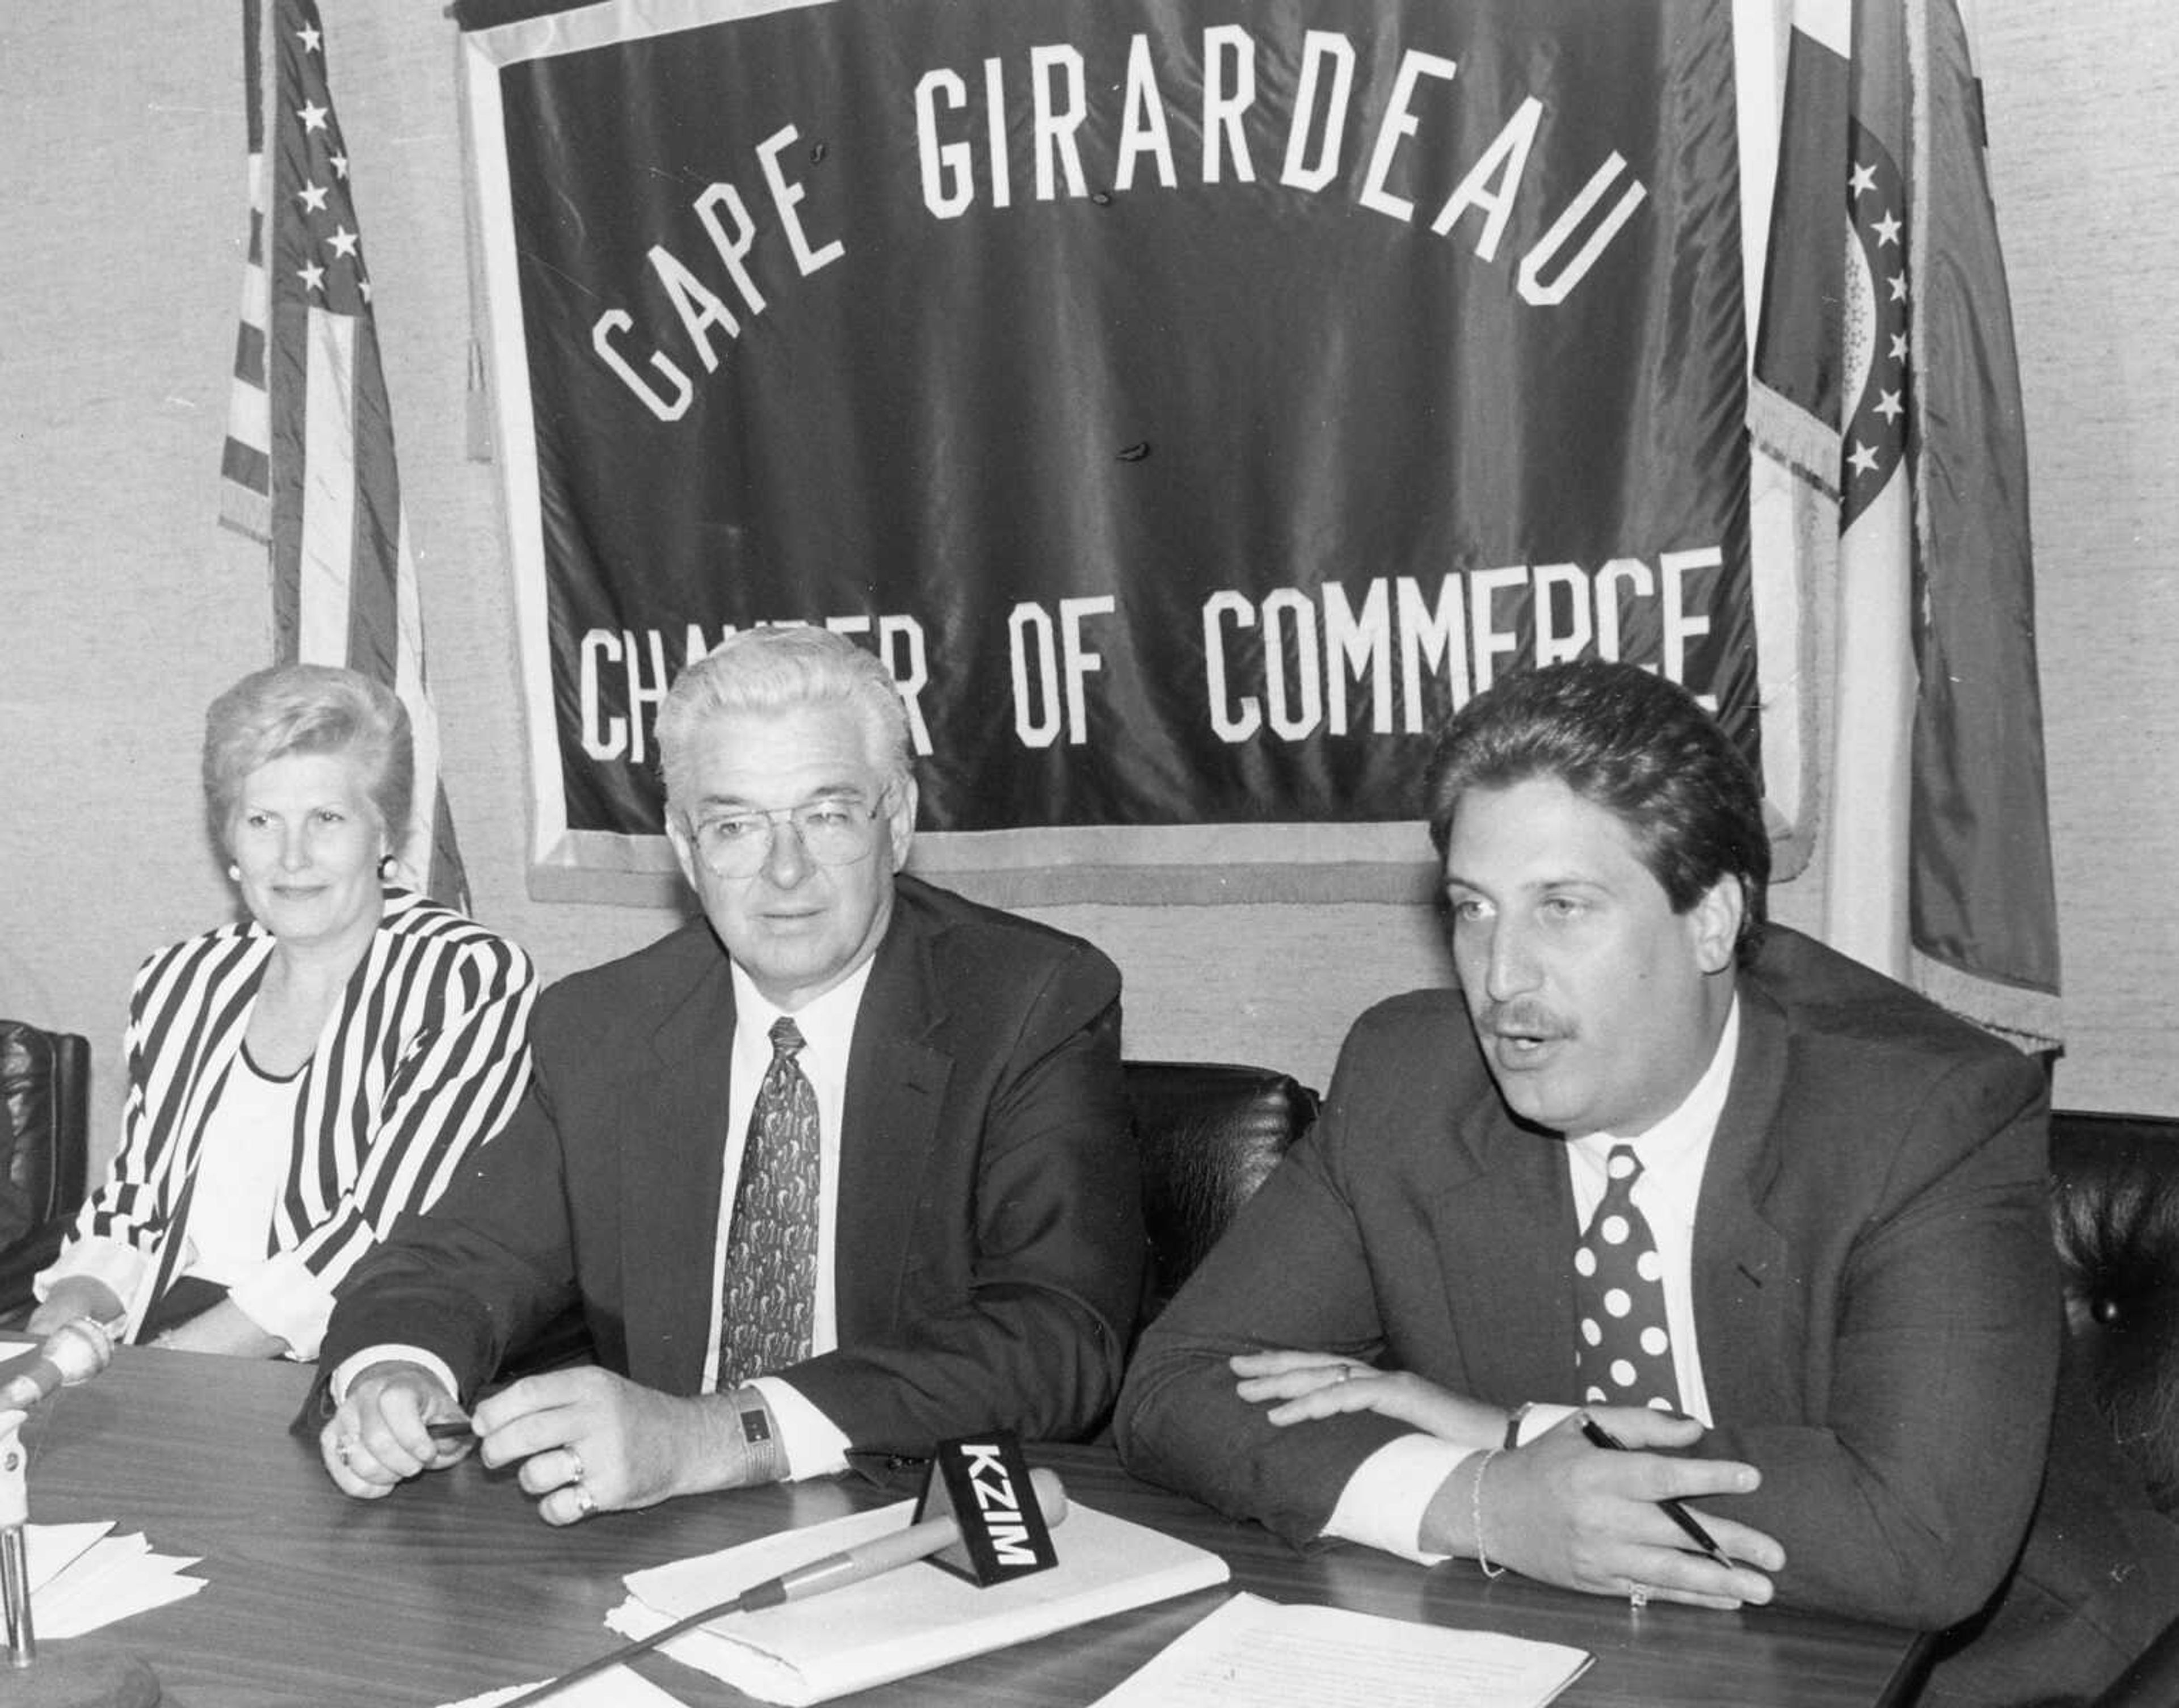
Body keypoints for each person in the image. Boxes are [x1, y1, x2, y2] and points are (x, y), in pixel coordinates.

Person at [1115, 659, 2177, 1705]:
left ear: (1712, 918)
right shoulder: (1411, 1079)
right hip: (1586, 1660)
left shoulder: (1924, 1109)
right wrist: (1477, 1501)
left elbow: (1917, 1540)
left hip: (1989, 1681)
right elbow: (1180, 1384)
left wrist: (1517, 1437)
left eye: (1563, 907)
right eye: (1473, 909)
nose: (1501, 979)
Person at [316, 625, 1142, 1525]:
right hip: (666, 1540)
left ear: (897, 821)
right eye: (736, 824)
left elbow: (1057, 1336)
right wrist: (398, 1372)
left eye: (826, 814)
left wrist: (719, 1434)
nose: (785, 871)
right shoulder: (602, 1026)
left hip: (926, 1524)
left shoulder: (1029, 1001)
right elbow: (452, 1262)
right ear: (684, 844)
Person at [30, 664, 536, 1360]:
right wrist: (66, 1313)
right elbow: (137, 1207)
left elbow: (378, 1235)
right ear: (229, 839)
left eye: (326, 819)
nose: (292, 857)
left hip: (341, 1351)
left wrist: (168, 1368)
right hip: (166, 1335)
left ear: (383, 834)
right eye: (262, 820)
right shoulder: (182, 978)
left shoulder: (463, 976)